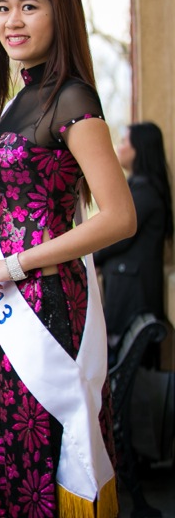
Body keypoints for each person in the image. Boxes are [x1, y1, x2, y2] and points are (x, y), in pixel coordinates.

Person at [0, 0, 135, 518]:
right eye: (3, 8)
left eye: (28, 6)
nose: (12, 21)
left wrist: (14, 264)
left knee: (43, 453)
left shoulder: (71, 96)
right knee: (1, 453)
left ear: (59, 13)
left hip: (47, 304)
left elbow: (118, 216)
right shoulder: (15, 101)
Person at [95, 122, 172, 367]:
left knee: (135, 373)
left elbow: (116, 235)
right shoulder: (142, 189)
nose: (119, 147)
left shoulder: (145, 192)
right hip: (130, 294)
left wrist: (87, 258)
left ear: (139, 148)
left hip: (133, 298)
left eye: (124, 141)